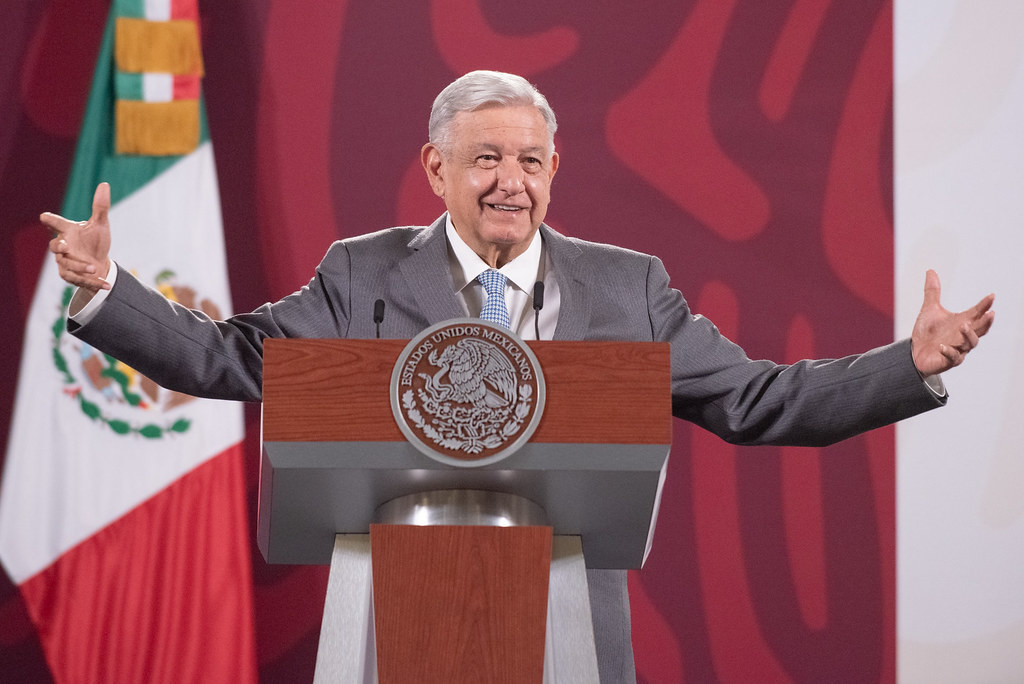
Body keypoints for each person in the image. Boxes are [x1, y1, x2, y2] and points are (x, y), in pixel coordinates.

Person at [42, 70, 994, 682]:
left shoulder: (629, 289)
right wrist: (107, 289)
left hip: (570, 626)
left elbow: (755, 401)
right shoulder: (362, 275)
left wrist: (907, 366)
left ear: (553, 171)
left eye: (530, 161)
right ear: (435, 169)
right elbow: (233, 358)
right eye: (486, 158)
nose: (511, 181)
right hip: (392, 623)